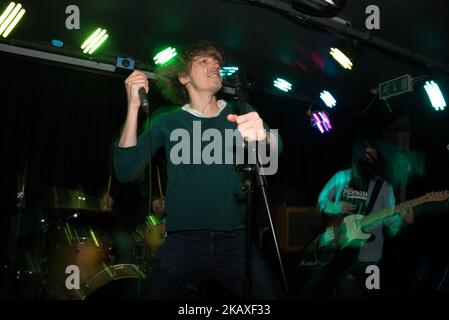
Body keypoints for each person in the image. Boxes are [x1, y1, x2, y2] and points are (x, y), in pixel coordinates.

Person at [113, 41, 283, 299]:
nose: (214, 65)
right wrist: (133, 107)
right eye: (204, 61)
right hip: (182, 243)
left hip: (235, 242)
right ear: (183, 77)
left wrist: (264, 137)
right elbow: (125, 170)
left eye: (217, 62)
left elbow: (275, 151)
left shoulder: (240, 112)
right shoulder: (166, 120)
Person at [300, 139, 414, 299]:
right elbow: (322, 201)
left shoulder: (384, 187)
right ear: (358, 156)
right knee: (321, 289)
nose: (370, 160)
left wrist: (403, 221)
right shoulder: (342, 177)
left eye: (374, 157)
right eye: (367, 156)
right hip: (339, 248)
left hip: (370, 256)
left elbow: (390, 222)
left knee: (372, 294)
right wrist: (336, 206)